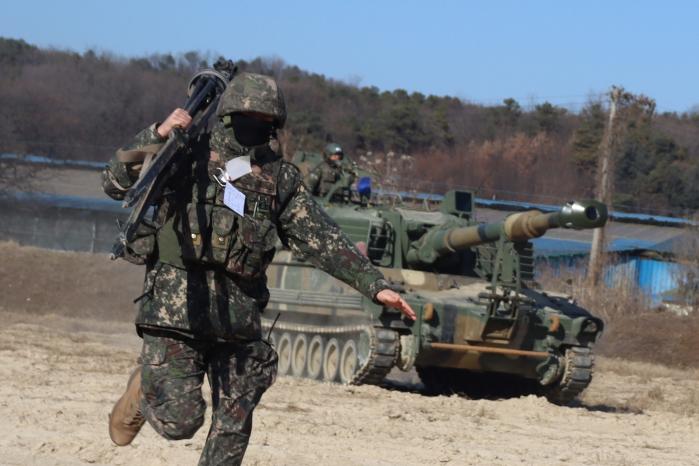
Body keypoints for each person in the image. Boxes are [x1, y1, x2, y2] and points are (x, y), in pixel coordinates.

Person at [102, 72, 415, 466]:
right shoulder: (185, 153)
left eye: (266, 120)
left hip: (238, 321)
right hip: (177, 311)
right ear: (228, 114)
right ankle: (144, 388)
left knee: (233, 424)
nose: (256, 126)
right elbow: (114, 183)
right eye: (248, 116)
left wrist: (375, 285)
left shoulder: (279, 178)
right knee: (180, 421)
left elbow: (321, 238)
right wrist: (159, 133)